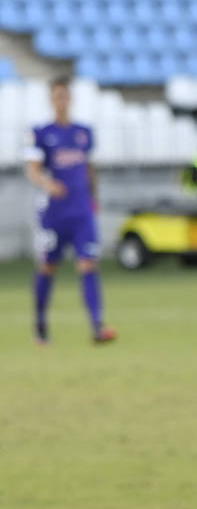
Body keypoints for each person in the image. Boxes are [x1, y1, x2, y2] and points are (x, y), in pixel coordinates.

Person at [25, 76, 115, 345]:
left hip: (81, 211)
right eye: (57, 96)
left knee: (88, 264)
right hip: (53, 213)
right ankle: (40, 325)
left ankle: (97, 327)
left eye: (65, 95)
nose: (61, 101)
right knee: (48, 267)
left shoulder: (83, 133)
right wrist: (47, 183)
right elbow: (32, 169)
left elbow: (88, 167)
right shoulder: (41, 133)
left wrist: (93, 198)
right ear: (51, 100)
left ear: (70, 98)